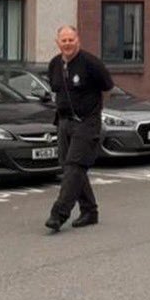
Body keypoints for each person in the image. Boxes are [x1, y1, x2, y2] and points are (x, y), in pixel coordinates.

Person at [45, 25, 113, 233]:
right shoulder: (55, 64)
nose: (67, 44)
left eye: (71, 40)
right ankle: (90, 211)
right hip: (65, 122)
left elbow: (108, 88)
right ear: (58, 43)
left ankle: (58, 214)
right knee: (72, 167)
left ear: (78, 40)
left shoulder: (91, 63)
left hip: (87, 122)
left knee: (74, 166)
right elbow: (56, 90)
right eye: (63, 40)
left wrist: (96, 113)